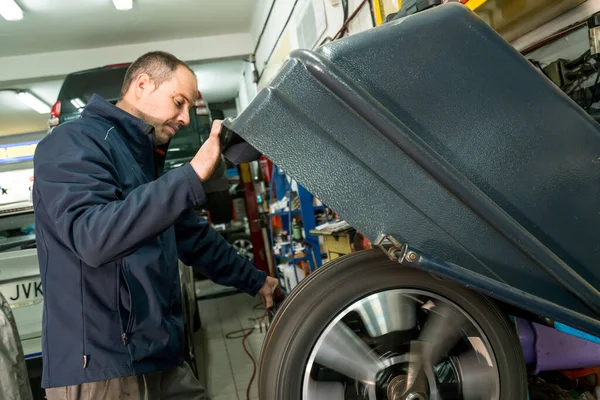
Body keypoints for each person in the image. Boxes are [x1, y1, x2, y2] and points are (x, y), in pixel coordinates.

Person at [32, 51, 280, 399]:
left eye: (190, 108)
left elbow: (193, 238)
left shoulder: (141, 158)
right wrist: (190, 176)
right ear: (142, 84)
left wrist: (257, 281)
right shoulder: (72, 143)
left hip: (158, 357)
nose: (184, 117)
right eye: (179, 102)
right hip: (102, 370)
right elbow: (94, 238)